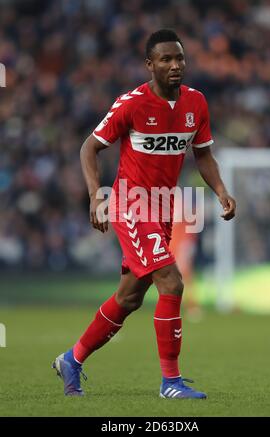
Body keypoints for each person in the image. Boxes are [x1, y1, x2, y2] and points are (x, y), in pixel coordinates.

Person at [52, 29, 236, 399]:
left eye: (179, 58)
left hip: (164, 207)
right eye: (166, 59)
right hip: (131, 205)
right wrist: (94, 196)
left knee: (129, 298)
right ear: (150, 65)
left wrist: (221, 191)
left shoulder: (196, 103)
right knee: (172, 281)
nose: (175, 65)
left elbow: (202, 154)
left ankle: (72, 359)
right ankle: (171, 382)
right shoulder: (131, 104)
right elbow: (90, 147)